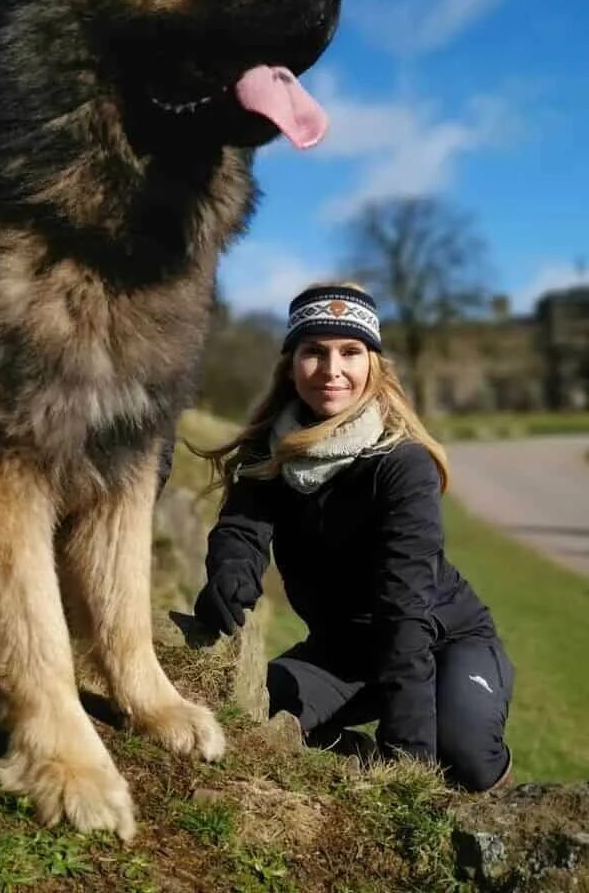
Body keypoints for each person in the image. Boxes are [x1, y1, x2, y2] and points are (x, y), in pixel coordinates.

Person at [193, 282, 514, 792]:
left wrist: (407, 754)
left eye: (349, 351)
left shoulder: (402, 463)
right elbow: (242, 528)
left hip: (441, 640)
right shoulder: (269, 451)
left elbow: (403, 607)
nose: (331, 369)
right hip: (342, 652)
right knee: (249, 713)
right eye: (313, 352)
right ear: (291, 361)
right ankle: (357, 758)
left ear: (373, 363)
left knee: (463, 761)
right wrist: (231, 572)